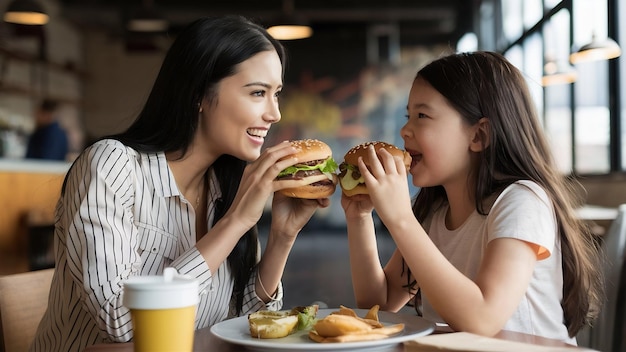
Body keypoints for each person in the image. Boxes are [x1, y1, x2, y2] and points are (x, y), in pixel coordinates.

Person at [31, 16, 331, 352]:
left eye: (276, 94)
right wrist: (236, 222)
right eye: (258, 93)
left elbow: (251, 326)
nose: (274, 113)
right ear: (198, 94)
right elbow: (122, 325)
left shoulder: (226, 185)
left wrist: (282, 235)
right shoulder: (112, 165)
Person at [341, 51, 603, 344]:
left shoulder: (522, 201)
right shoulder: (435, 212)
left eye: (422, 116)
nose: (405, 130)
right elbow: (379, 304)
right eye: (408, 115)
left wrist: (401, 219)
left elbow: (483, 319)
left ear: (478, 136)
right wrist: (360, 217)